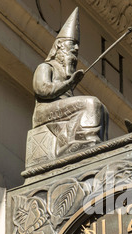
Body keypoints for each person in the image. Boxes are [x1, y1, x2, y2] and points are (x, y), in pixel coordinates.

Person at [32, 8, 108, 152]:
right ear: (59, 46)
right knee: (91, 103)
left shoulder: (64, 72)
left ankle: (84, 139)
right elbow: (42, 90)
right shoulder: (45, 67)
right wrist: (69, 83)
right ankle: (87, 139)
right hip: (44, 111)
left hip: (59, 109)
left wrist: (70, 82)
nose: (76, 47)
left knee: (103, 110)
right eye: (72, 44)